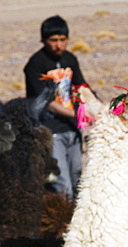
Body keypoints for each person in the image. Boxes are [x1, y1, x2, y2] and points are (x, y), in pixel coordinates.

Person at [24, 15, 88, 200]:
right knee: (62, 185)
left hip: (73, 129)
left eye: (62, 39)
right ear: (44, 40)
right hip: (50, 131)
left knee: (77, 179)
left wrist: (98, 108)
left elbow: (81, 87)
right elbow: (45, 102)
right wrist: (75, 114)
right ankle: (61, 224)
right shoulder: (35, 64)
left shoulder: (70, 59)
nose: (59, 45)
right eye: (53, 40)